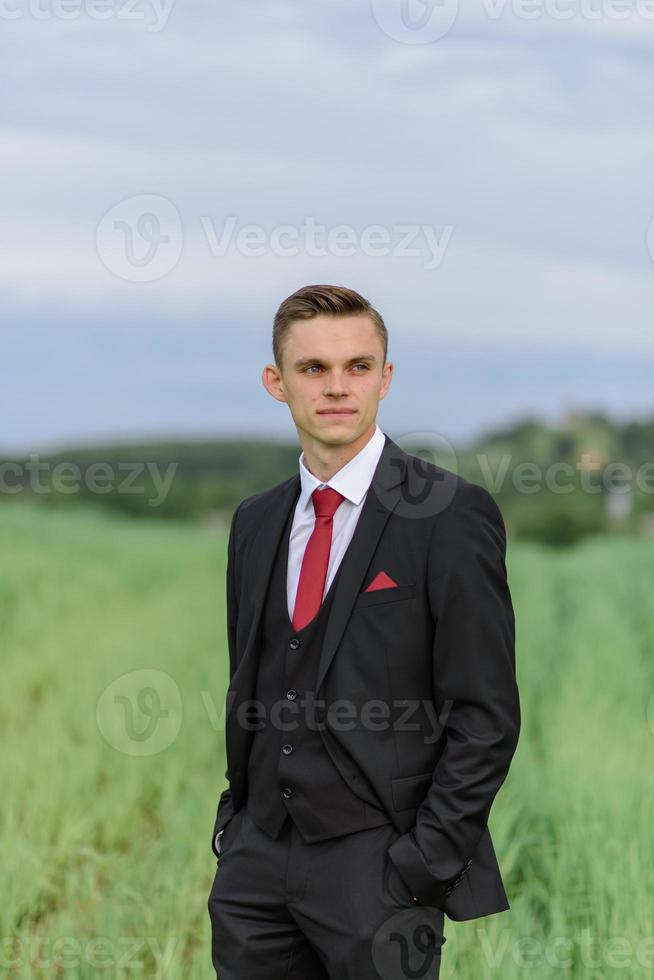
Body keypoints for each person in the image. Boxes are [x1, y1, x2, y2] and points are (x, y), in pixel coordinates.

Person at [207, 284, 521, 979]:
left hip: (380, 867)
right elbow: (251, 679)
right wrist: (237, 824)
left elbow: (486, 715)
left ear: (385, 376)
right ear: (276, 382)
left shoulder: (447, 516)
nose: (337, 387)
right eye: (313, 369)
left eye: (357, 365)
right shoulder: (256, 522)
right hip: (256, 867)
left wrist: (422, 863)